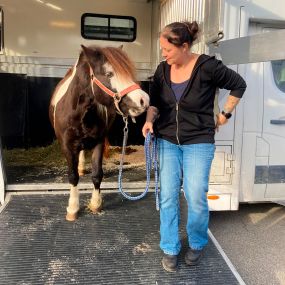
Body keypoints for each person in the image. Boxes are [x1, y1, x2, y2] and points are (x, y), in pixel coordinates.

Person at [142, 21, 246, 272]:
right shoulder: (161, 70)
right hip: (167, 141)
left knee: (196, 196)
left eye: (167, 49)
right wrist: (148, 121)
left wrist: (224, 115)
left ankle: (197, 243)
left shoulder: (208, 67)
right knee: (167, 197)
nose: (164, 55)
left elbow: (239, 84)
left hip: (198, 141)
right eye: (162, 50)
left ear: (185, 46)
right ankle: (169, 247)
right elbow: (154, 103)